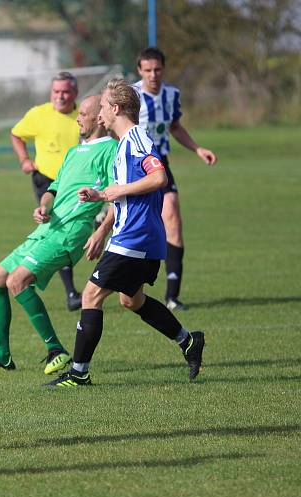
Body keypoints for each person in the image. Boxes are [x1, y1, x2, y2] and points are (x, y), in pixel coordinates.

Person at [44, 79, 205, 388]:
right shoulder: (123, 144)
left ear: (115, 109)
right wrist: (103, 204)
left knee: (91, 294)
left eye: (103, 106)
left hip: (136, 236)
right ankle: (188, 341)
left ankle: (78, 373)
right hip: (136, 236)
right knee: (131, 300)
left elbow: (158, 176)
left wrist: (113, 192)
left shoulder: (136, 139)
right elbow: (124, 194)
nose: (99, 112)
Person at [0, 95, 116, 376]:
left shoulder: (111, 150)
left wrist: (102, 230)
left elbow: (116, 196)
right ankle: (1, 356)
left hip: (71, 234)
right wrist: (43, 207)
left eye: (83, 113)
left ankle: (56, 350)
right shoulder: (74, 152)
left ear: (99, 117)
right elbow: (53, 189)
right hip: (48, 228)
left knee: (18, 281)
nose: (77, 118)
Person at [133, 47, 217, 311]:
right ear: (139, 71)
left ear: (163, 69)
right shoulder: (131, 95)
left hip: (161, 164)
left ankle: (172, 296)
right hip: (135, 164)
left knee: (173, 220)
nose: (153, 75)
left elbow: (175, 127)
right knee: (132, 225)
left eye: (157, 69)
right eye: (147, 70)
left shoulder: (172, 95)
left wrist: (197, 149)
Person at [10, 71, 83, 311]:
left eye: (65, 92)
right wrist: (24, 160)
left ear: (75, 94)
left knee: (71, 230)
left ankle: (32, 272)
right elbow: (16, 134)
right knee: (56, 228)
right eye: (56, 92)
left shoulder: (84, 115)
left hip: (74, 182)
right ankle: (70, 291)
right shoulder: (38, 114)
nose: (60, 96)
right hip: (45, 180)